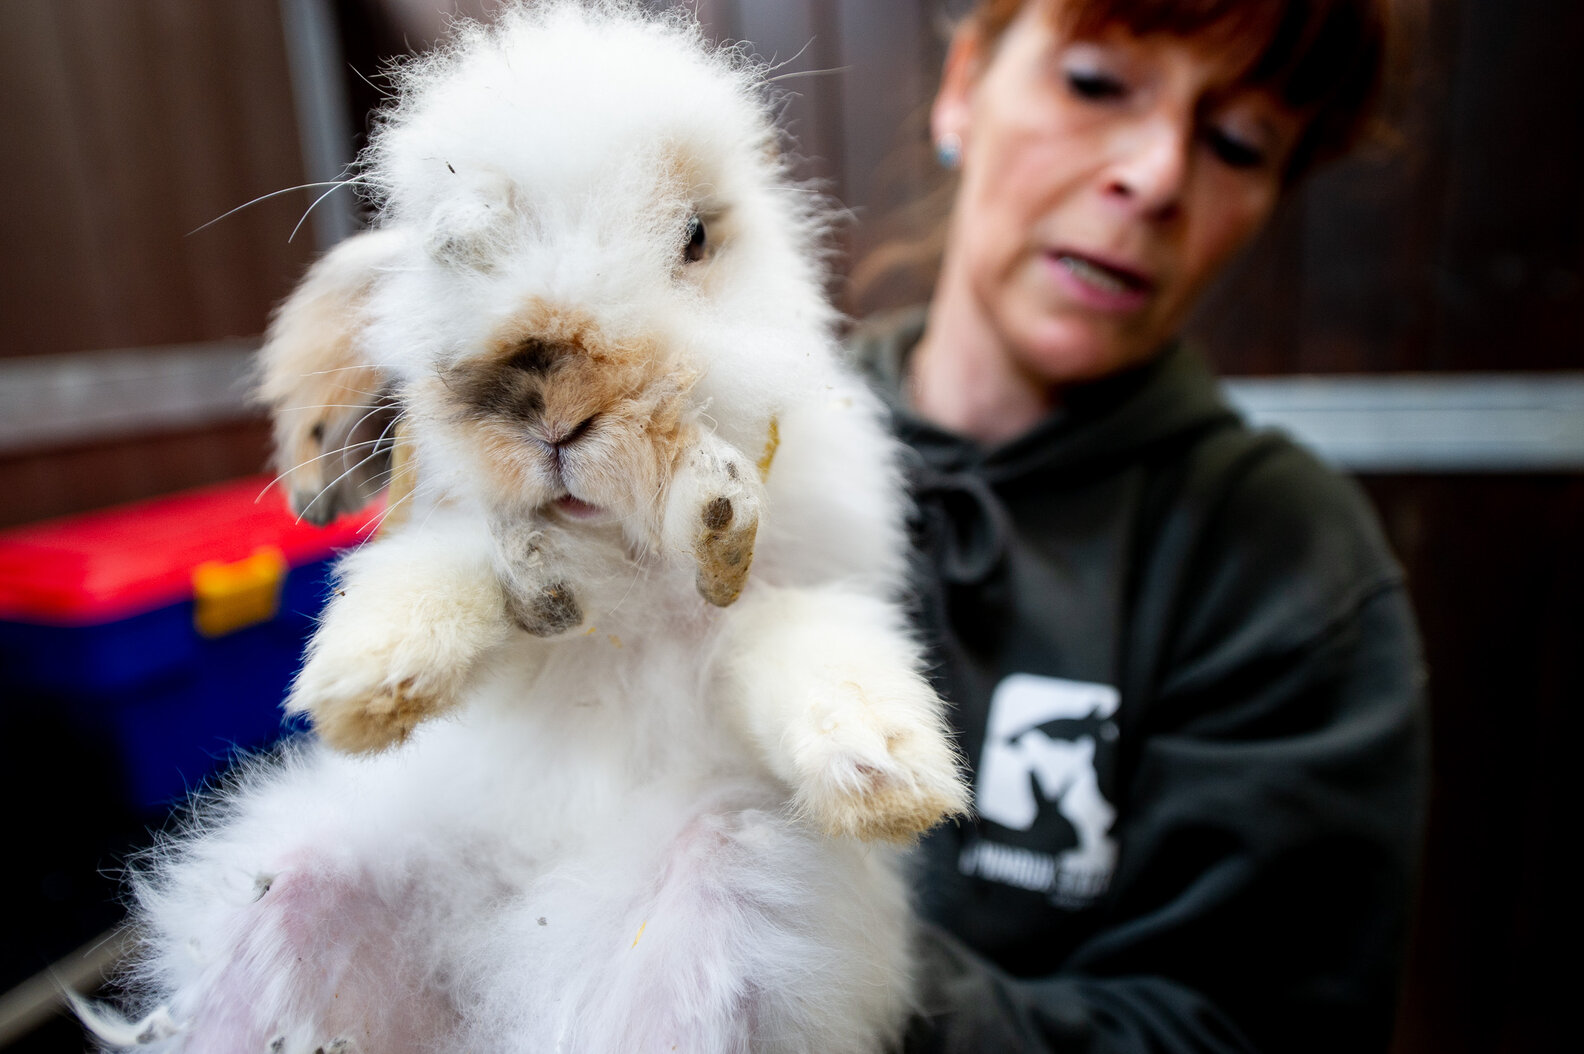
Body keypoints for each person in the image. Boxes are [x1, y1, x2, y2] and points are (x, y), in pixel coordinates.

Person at [844, 1, 1429, 1051]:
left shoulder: (1286, 563)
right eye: (1096, 83)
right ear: (965, 85)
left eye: (1238, 143)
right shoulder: (750, 461)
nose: (1157, 177)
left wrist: (820, 966)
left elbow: (1248, 1026)